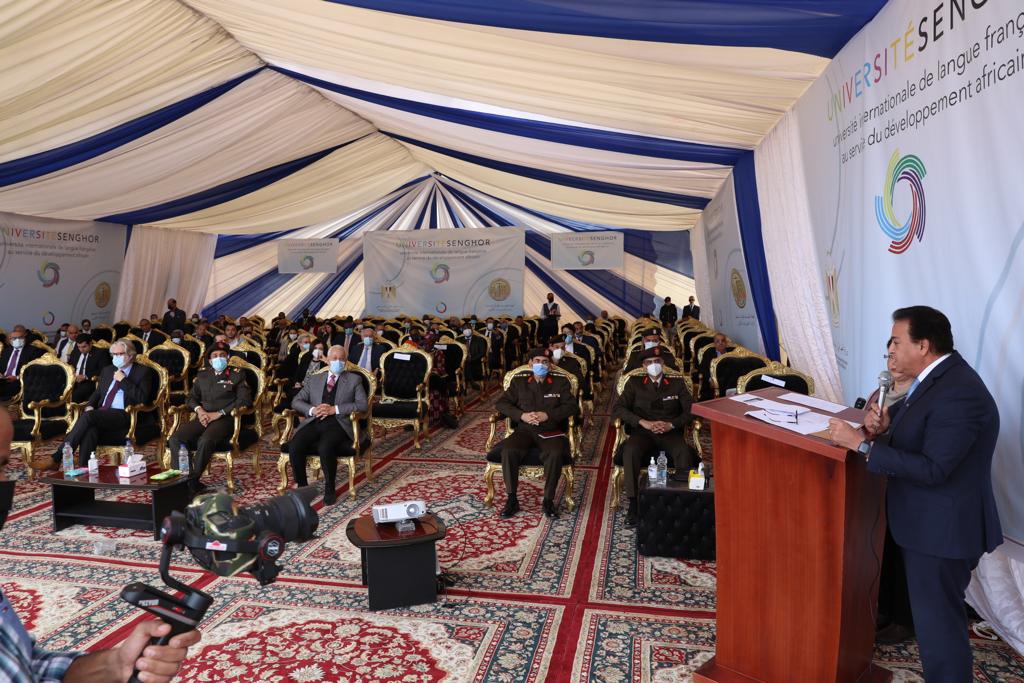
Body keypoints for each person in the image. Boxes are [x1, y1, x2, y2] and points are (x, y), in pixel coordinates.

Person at [828, 306, 1002, 682]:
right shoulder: (936, 380)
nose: (889, 349)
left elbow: (934, 468)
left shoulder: (960, 393)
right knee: (933, 626)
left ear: (923, 345)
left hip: (942, 532)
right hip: (926, 526)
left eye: (896, 341)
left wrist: (862, 445)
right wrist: (883, 429)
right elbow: (923, 439)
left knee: (940, 631)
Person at [0, 411, 202, 681]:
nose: (6, 481)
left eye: (2, 466)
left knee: (90, 422)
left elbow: (30, 666)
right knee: (90, 422)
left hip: (128, 413)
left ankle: (63, 456)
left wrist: (117, 664)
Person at [613, 347, 695, 526]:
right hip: (643, 432)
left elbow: (691, 411)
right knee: (630, 451)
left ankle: (682, 500)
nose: (654, 365)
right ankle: (633, 503)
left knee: (683, 452)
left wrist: (672, 424)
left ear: (663, 363)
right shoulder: (634, 383)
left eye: (657, 361)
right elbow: (618, 409)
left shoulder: (677, 383)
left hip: (669, 431)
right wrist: (642, 422)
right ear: (644, 366)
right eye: (649, 362)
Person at [494, 349, 577, 519]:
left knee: (555, 453)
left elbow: (571, 406)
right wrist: (521, 415)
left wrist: (548, 415)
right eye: (537, 361)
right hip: (525, 430)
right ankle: (512, 499)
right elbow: (501, 404)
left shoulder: (560, 382)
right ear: (530, 363)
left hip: (550, 431)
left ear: (550, 365)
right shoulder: (519, 382)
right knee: (508, 450)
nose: (541, 364)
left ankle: (548, 500)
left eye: (545, 361)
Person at [53, 339, 155, 468]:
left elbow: (142, 398)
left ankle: (57, 457)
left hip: (126, 413)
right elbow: (98, 392)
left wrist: (123, 380)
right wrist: (90, 405)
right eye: (114, 354)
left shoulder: (143, 372)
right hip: (105, 413)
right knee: (90, 430)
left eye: (120, 354)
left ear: (130, 355)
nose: (116, 357)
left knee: (89, 417)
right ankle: (85, 469)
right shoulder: (108, 370)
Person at [287, 345, 367, 505]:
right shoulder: (315, 379)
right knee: (295, 445)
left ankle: (330, 488)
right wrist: (312, 410)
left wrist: (334, 409)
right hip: (315, 421)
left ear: (346, 361)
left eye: (341, 359)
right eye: (334, 358)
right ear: (328, 360)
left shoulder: (354, 379)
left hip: (338, 423)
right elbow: (296, 401)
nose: (338, 362)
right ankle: (303, 487)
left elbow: (362, 405)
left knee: (325, 447)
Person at [168, 342, 252, 494]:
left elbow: (244, 400)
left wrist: (220, 413)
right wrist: (200, 411)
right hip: (203, 416)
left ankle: (193, 480)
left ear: (228, 357)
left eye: (222, 355)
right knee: (175, 438)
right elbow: (191, 398)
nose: (219, 358)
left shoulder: (237, 374)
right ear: (210, 360)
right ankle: (182, 478)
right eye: (215, 356)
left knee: (205, 440)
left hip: (225, 418)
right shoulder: (203, 374)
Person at [1, 327, 44, 401]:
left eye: (20, 338)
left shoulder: (33, 351)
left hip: (19, 381)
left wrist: (17, 377)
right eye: (14, 338)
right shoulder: (6, 351)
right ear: (10, 340)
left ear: (24, 338)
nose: (17, 340)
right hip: (3, 379)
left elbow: (34, 370)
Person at [67, 333, 112, 403]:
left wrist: (85, 376)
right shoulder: (75, 352)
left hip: (89, 381)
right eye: (79, 347)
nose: (81, 349)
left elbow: (105, 370)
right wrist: (72, 373)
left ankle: (76, 409)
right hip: (73, 380)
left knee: (75, 394)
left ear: (90, 344)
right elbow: (69, 365)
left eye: (84, 347)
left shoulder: (101, 353)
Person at [697, 333, 734, 400]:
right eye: (717, 341)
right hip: (713, 381)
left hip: (728, 381)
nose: (721, 343)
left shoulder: (732, 352)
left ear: (726, 343)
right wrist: (710, 379)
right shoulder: (709, 353)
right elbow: (702, 368)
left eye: (723, 341)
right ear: (714, 344)